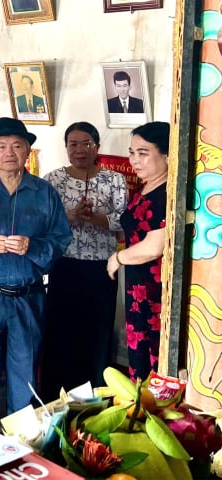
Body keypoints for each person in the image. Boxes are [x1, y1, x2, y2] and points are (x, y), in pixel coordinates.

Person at [0, 117, 71, 429]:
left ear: (28, 152)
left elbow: (61, 239)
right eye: (1, 146)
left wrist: (32, 247)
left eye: (17, 146)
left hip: (28, 295)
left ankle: (21, 439)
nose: (9, 152)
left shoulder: (44, 192)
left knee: (25, 370)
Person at [41, 122, 128, 397]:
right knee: (61, 328)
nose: (79, 150)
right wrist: (71, 216)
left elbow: (126, 222)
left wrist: (97, 218)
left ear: (97, 147)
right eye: (73, 144)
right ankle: (56, 392)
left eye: (86, 143)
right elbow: (42, 221)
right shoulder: (52, 179)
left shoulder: (114, 180)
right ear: (66, 148)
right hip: (64, 264)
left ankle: (94, 392)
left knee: (97, 329)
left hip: (102, 267)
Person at [107, 122, 170, 381]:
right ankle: (139, 409)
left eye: (143, 153)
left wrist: (118, 257)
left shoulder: (166, 193)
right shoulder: (145, 188)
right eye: (132, 152)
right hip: (138, 287)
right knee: (139, 353)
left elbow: (156, 244)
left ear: (167, 155)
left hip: (155, 288)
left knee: (154, 353)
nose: (134, 160)